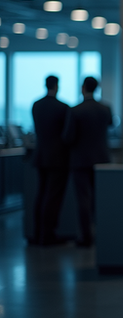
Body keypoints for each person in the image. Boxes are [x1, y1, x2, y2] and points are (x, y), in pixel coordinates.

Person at [62, 77, 113, 247]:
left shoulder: (75, 110)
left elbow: (68, 137)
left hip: (80, 161)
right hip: (102, 159)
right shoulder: (105, 109)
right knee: (101, 199)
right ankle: (103, 233)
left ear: (83, 88)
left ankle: (86, 237)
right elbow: (111, 126)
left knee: (83, 199)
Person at [31, 76, 70, 245]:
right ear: (57, 86)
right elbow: (67, 135)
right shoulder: (63, 107)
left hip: (41, 155)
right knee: (53, 197)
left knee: (41, 194)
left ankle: (37, 233)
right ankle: (48, 235)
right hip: (58, 158)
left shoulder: (36, 105)